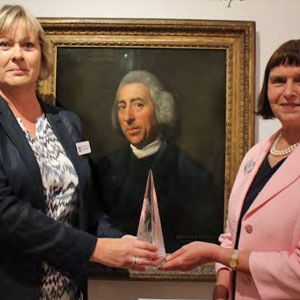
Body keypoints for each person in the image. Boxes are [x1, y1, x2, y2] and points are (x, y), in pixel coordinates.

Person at [0, 5, 159, 300]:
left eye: (28, 45)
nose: (17, 55)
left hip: (70, 291)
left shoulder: (67, 123)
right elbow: (8, 215)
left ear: (42, 56)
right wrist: (97, 249)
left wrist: (120, 242)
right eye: (5, 44)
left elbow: (87, 206)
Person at [160, 39, 300, 300]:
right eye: (279, 80)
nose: (289, 91)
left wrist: (215, 254)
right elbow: (232, 234)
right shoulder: (255, 155)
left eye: (299, 80)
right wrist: (221, 286)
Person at [96, 70, 217, 254]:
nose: (128, 116)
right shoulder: (104, 169)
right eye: (122, 106)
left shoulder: (191, 174)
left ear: (161, 109)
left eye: (138, 105)